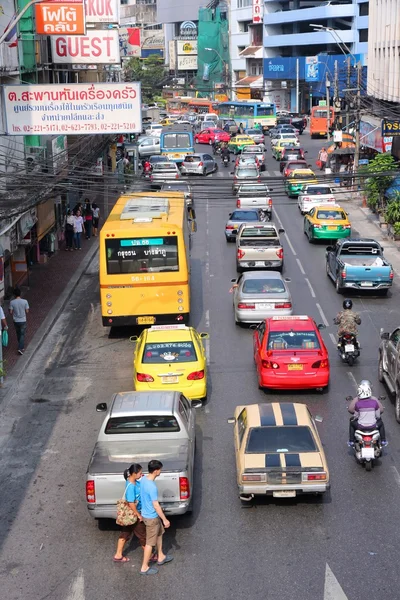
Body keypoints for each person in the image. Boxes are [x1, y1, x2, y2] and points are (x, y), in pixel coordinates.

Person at [114, 464, 158, 564]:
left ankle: (118, 555)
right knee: (143, 535)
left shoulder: (131, 480)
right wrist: (138, 515)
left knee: (125, 533)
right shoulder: (131, 486)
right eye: (140, 473)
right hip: (134, 514)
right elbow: (131, 503)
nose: (141, 474)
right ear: (134, 473)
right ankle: (150, 555)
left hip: (129, 516)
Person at [140, 460, 173, 576]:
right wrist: (165, 519)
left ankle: (161, 556)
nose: (160, 471)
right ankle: (144, 567)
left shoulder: (143, 479)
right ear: (155, 471)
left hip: (147, 514)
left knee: (159, 534)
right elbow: (156, 505)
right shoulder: (152, 487)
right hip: (151, 517)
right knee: (150, 543)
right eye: (160, 470)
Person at [348, 380, 387, 446]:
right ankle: (383, 440)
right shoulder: (374, 402)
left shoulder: (357, 403)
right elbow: (378, 416)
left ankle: (351, 441)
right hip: (373, 426)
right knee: (381, 423)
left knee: (351, 423)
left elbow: (355, 416)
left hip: (360, 427)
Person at [9, 287, 29, 355]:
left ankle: (21, 345)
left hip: (16, 320)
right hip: (23, 320)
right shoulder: (25, 301)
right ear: (20, 294)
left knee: (18, 333)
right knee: (22, 334)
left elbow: (11, 312)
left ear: (14, 295)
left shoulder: (12, 302)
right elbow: (27, 311)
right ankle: (20, 348)